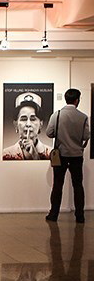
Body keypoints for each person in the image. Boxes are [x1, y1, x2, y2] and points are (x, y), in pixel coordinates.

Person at [46, 88, 90, 223]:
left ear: (66, 99)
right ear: (77, 100)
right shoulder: (83, 117)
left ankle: (53, 214)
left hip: (61, 155)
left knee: (57, 185)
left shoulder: (57, 115)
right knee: (78, 185)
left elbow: (49, 133)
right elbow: (86, 136)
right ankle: (80, 216)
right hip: (76, 155)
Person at [2, 92, 53, 160]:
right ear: (16, 124)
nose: (28, 124)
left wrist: (35, 156)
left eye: (33, 119)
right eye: (23, 119)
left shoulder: (50, 154)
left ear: (41, 124)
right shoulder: (6, 155)